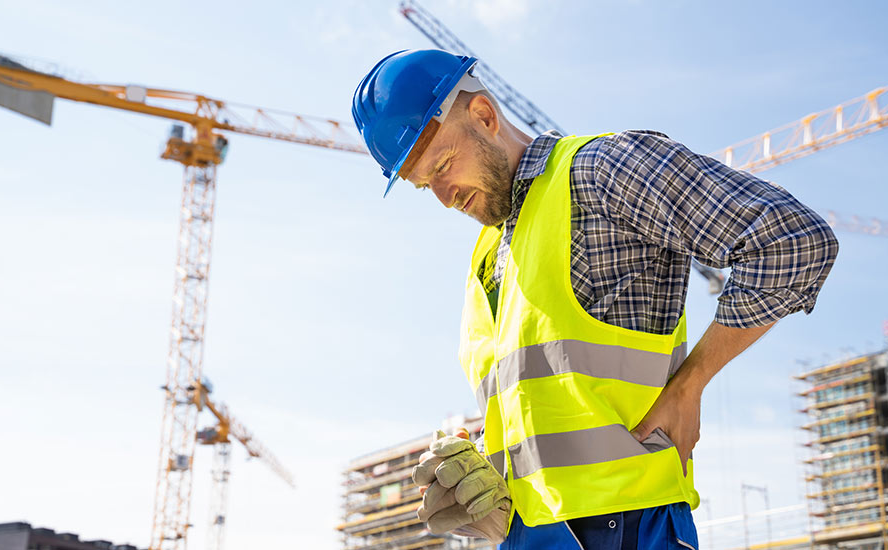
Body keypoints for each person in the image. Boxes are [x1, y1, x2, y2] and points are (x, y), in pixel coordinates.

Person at [351, 49, 839, 549]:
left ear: (484, 115)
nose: (444, 197)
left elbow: (793, 241)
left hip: (626, 527)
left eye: (444, 166)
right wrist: (487, 463)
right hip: (529, 536)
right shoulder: (487, 253)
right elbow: (553, 399)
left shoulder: (601, 169)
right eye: (424, 185)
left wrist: (690, 383)